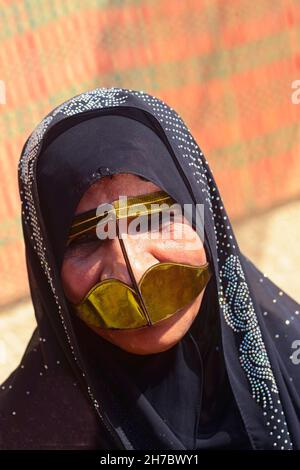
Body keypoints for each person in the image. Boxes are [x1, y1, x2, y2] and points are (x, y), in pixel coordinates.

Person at [0, 87, 299, 450]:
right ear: (47, 266)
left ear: (204, 214)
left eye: (157, 217)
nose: (137, 275)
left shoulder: (290, 361)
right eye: (84, 240)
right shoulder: (22, 432)